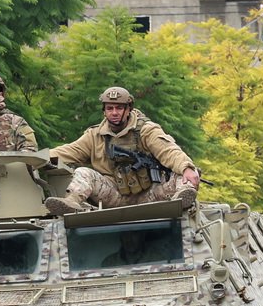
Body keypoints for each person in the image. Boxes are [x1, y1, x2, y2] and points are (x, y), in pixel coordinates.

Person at [45, 86, 201, 214]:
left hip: (152, 194)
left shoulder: (146, 130)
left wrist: (186, 167)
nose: (114, 112)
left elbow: (169, 151)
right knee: (83, 172)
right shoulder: (94, 135)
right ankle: (71, 202)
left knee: (183, 171)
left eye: (119, 108)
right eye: (110, 108)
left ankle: (181, 200)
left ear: (128, 109)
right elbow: (68, 151)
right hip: (114, 195)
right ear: (104, 111)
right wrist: (37, 158)